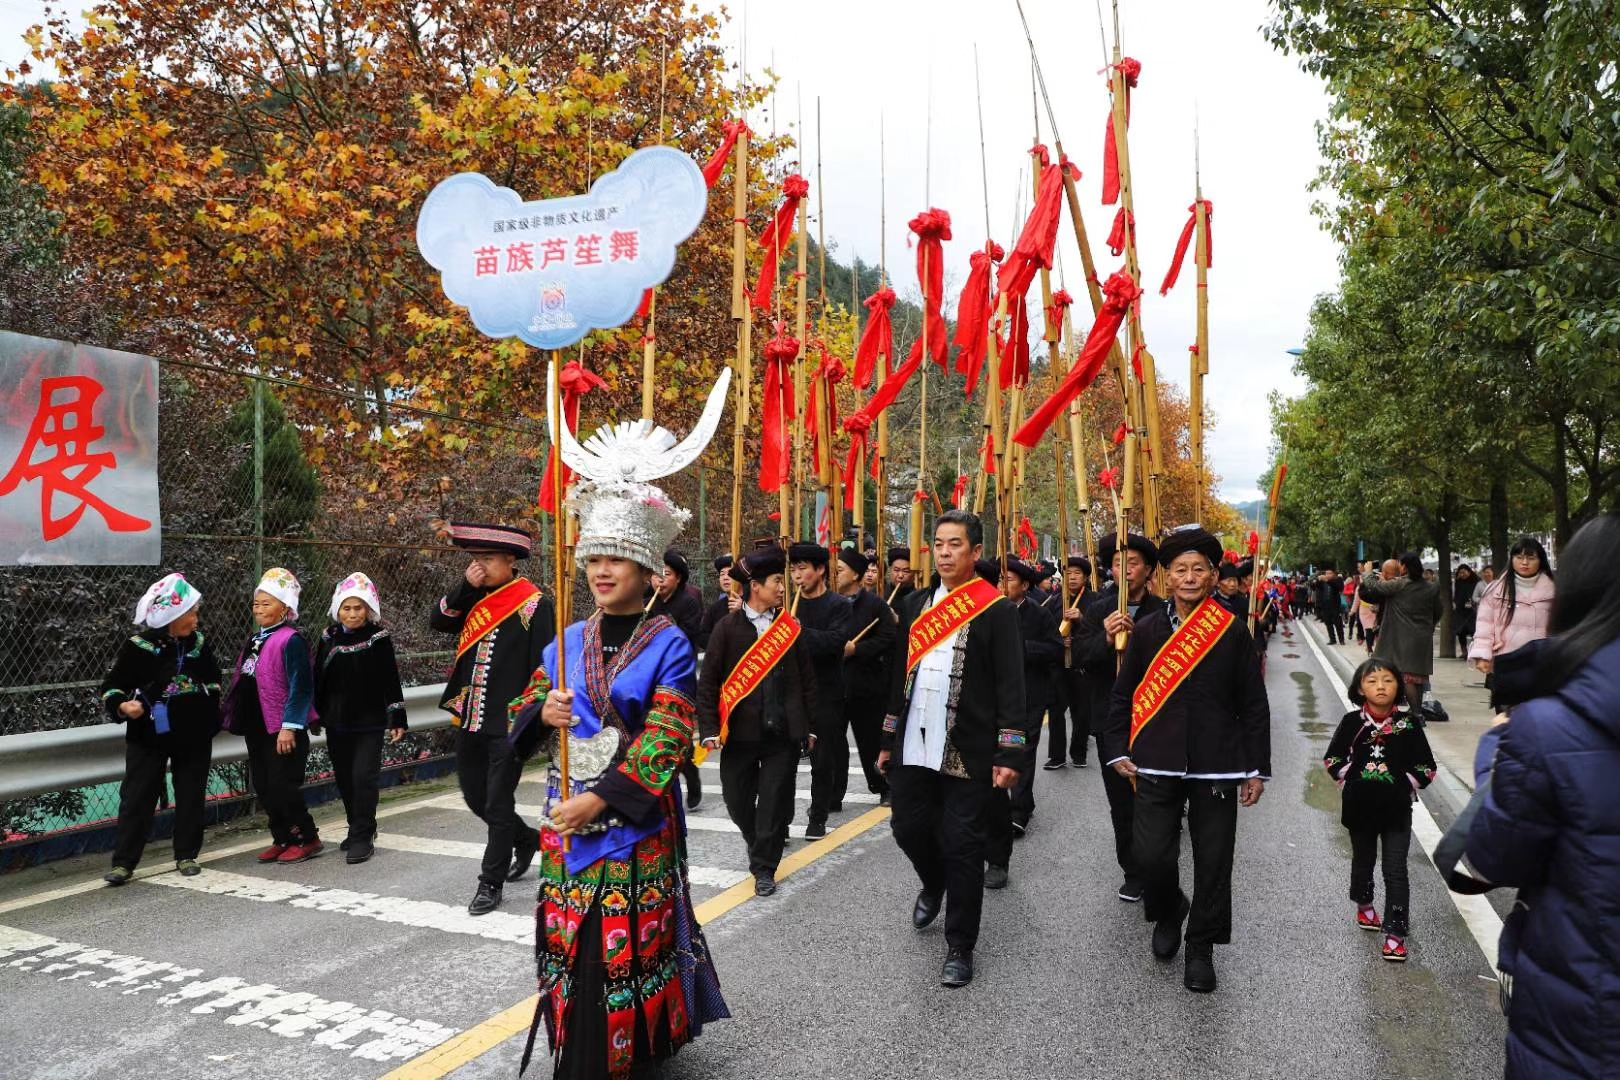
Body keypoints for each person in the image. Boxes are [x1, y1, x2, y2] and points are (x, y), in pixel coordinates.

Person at [506, 435, 729, 1079]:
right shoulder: (564, 640)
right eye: (594, 558)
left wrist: (601, 798)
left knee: (624, 947)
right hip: (566, 820)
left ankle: (624, 1053)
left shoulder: (671, 646)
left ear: (647, 571)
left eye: (617, 560)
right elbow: (523, 711)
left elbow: (668, 736)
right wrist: (538, 713)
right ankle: (581, 1053)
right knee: (570, 944)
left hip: (632, 822)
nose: (602, 571)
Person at [1466, 513, 1620, 1080]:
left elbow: (1488, 859)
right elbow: (1487, 623)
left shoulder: (1547, 730)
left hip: (1584, 1010)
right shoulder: (1500, 589)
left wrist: (1500, 751)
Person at [1102, 526, 1270, 993]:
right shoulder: (1149, 630)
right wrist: (1117, 748)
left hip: (1217, 761)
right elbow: (1124, 695)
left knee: (1214, 861)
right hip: (1155, 758)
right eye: (1181, 570)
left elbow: (1253, 703)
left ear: (1214, 576)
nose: (1190, 577)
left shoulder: (1233, 630)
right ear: (1166, 579)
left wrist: (1256, 767)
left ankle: (1201, 947)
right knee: (1151, 855)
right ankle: (1170, 908)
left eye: (1200, 569)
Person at [879, 509, 1027, 988]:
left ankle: (960, 946)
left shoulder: (996, 609)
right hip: (913, 744)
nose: (944, 552)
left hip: (968, 748)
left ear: (976, 552)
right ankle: (932, 881)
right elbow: (898, 676)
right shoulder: (917, 605)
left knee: (964, 846)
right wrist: (887, 738)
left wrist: (1009, 754)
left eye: (955, 544)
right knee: (907, 829)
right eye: (938, 544)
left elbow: (1012, 687)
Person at [430, 522, 557, 915]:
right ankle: (525, 839)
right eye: (475, 560)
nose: (479, 567)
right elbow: (439, 622)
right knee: (475, 796)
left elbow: (544, 664)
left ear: (510, 561)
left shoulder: (534, 603)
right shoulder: (473, 596)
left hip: (509, 721)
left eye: (486, 559)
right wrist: (464, 586)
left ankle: (490, 882)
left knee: (498, 802)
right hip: (471, 716)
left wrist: (532, 719)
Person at [699, 548, 816, 897]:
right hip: (739, 735)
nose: (783, 587)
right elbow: (707, 684)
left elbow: (807, 681)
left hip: (781, 733)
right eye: (778, 581)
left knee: (775, 801)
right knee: (737, 800)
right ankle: (758, 841)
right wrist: (707, 730)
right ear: (755, 586)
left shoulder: (789, 629)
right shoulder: (726, 628)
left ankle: (764, 867)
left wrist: (809, 726)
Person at [99, 573, 222, 885]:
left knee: (191, 793)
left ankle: (186, 854)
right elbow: (113, 687)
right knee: (138, 796)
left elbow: (214, 680)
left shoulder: (200, 644)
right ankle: (124, 862)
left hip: (192, 733)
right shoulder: (139, 647)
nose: (196, 619)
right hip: (148, 734)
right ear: (172, 616)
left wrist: (208, 709)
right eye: (191, 613)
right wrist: (123, 706)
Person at [1322, 657, 1437, 962]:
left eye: (1387, 680)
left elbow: (1428, 767)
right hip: (1359, 808)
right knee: (1363, 860)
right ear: (1360, 688)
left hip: (1397, 810)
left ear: (1399, 685)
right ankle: (1364, 904)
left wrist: (1403, 783)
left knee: (1395, 869)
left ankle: (1396, 932)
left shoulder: (1409, 724)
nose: (1380, 687)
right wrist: (1353, 779)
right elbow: (1332, 760)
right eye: (1372, 681)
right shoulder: (1351, 723)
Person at [1074, 531, 1165, 902]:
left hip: (1157, 721)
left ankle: (1158, 863)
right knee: (1121, 800)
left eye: (1132, 563)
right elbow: (1078, 657)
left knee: (1155, 798)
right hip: (1112, 720)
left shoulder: (1164, 611)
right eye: (1116, 563)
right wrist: (1106, 640)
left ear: (1148, 570)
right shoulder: (1098, 610)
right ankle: (1133, 869)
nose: (1124, 570)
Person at [223, 568, 321, 864]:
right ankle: (282, 837)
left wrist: (290, 727)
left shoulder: (291, 640)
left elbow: (301, 686)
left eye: (267, 603)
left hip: (281, 727)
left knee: (283, 785)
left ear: (285, 608)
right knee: (264, 786)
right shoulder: (255, 640)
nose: (259, 609)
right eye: (256, 604)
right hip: (257, 724)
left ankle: (306, 837)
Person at [314, 572, 407, 865]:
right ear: (337, 609)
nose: (352, 614)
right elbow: (319, 678)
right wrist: (315, 713)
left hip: (370, 720)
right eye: (347, 608)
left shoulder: (378, 638)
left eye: (358, 608)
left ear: (369, 609)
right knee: (344, 777)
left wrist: (397, 718)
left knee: (362, 776)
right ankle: (357, 824)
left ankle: (362, 835)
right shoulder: (328, 637)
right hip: (337, 720)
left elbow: (390, 678)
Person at [983, 557, 1062, 889]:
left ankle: (1017, 810)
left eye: (1011, 579)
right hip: (991, 701)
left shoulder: (1038, 613)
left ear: (1026, 585)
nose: (1004, 584)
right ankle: (1016, 804)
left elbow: (1055, 649)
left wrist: (1021, 648)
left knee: (1022, 750)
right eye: (1000, 578)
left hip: (1028, 699)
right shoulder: (986, 610)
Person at [788, 542, 853, 839]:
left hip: (827, 691)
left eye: (802, 569)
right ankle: (781, 820)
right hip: (793, 691)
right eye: (792, 570)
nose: (796, 576)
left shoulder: (838, 605)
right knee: (784, 759)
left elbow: (836, 643)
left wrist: (799, 631)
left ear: (820, 570)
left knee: (822, 759)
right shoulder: (787, 604)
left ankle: (818, 816)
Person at [835, 547, 897, 806]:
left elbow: (887, 638)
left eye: (839, 570)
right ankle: (832, 795)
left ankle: (883, 786)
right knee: (834, 745)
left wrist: (857, 649)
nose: (834, 575)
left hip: (867, 686)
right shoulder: (828, 602)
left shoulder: (875, 605)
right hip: (835, 685)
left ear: (855, 575)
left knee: (870, 740)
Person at [1469, 537, 1556, 711]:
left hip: (1542, 664)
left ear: (1541, 560)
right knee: (1507, 719)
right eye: (1519, 557)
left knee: (1540, 718)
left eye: (1531, 558)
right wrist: (1482, 655)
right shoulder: (1495, 590)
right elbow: (1485, 626)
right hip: (1507, 662)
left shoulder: (1555, 590)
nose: (1524, 563)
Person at [651, 548, 705, 809]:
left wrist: (663, 626)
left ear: (679, 579)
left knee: (677, 733)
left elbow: (686, 638)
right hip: (651, 677)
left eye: (667, 574)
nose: (660, 579)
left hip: (678, 678)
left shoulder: (688, 603)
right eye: (657, 573)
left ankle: (689, 771)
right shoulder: (646, 600)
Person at [1359, 554, 1444, 709]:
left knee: (1407, 677)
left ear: (1404, 567)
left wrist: (1368, 572)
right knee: (1417, 676)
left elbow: (1373, 586)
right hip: (1422, 637)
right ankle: (1417, 712)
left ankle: (1416, 714)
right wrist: (1428, 626)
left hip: (1401, 637)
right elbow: (1438, 611)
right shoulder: (1431, 587)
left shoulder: (1399, 584)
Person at [1046, 556, 1094, 770]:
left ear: (1085, 577)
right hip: (1058, 663)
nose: (1072, 577)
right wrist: (1059, 640)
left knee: (1081, 712)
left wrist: (1082, 619)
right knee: (1056, 711)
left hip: (1081, 664)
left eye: (1077, 574)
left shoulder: (1094, 601)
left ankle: (1079, 753)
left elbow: (1100, 631)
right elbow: (1045, 630)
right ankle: (1057, 756)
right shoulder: (1054, 600)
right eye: (1068, 574)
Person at [700, 554, 735, 644]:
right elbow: (702, 636)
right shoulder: (714, 609)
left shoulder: (749, 604)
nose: (725, 578)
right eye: (722, 574)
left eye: (730, 573)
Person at [1452, 564, 1481, 656]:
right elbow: (1455, 594)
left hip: (1472, 610)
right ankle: (1464, 651)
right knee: (1460, 631)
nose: (1462, 574)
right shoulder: (1458, 582)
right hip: (1460, 610)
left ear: (1469, 572)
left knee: (1474, 631)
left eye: (1464, 572)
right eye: (1460, 573)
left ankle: (1473, 651)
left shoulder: (1476, 581)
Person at [1316, 566, 1346, 645]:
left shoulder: (1338, 580)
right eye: (1326, 573)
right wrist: (1318, 580)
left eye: (1330, 573)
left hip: (1335, 605)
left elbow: (1339, 587)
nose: (1328, 575)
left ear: (1334, 574)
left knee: (1338, 623)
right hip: (1326, 606)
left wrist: (1328, 580)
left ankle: (1341, 639)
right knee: (1328, 623)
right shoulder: (1323, 581)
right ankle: (1332, 639)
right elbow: (1316, 586)